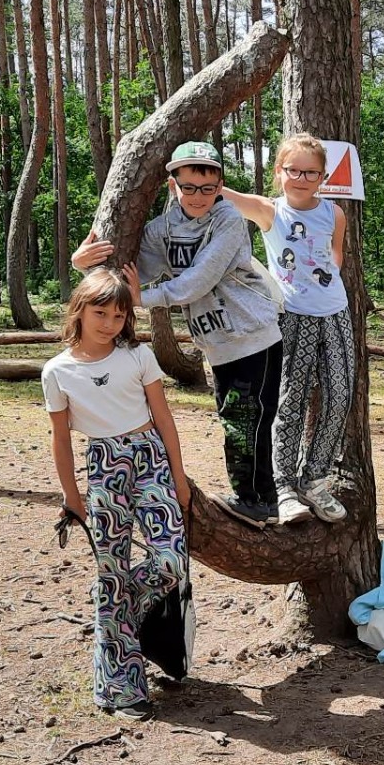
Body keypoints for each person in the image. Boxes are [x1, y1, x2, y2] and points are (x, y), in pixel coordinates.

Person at [73, 142, 283, 523]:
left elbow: (198, 280)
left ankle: (257, 500)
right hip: (216, 342)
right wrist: (81, 263)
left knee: (250, 419)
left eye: (207, 188)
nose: (198, 196)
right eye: (188, 187)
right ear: (174, 186)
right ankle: (256, 499)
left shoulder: (228, 221)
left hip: (255, 336)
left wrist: (145, 298)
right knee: (234, 418)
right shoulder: (163, 229)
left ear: (219, 186)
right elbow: (133, 272)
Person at [43, 268, 192, 723]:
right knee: (112, 570)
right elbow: (62, 439)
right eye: (100, 312)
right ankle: (120, 688)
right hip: (104, 467)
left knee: (169, 562)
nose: (109, 322)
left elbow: (164, 418)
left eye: (118, 313)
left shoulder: (138, 355)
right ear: (80, 311)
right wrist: (73, 496)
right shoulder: (57, 371)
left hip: (150, 458)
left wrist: (180, 478)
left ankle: (115, 593)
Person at [218, 133, 354, 526]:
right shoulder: (270, 212)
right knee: (290, 400)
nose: (301, 178)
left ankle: (315, 479)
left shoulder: (335, 214)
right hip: (292, 317)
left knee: (339, 397)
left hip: (336, 314)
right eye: (293, 170)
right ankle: (284, 487)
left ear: (323, 176)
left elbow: (335, 256)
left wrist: (322, 287)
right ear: (279, 172)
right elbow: (222, 194)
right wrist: (184, 181)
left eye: (311, 172)